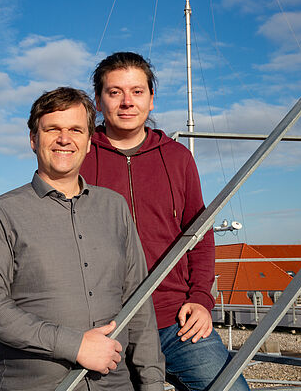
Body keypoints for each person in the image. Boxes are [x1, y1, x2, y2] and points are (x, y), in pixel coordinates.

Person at [0, 87, 165, 390]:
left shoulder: (115, 208)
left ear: (88, 142)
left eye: (76, 129)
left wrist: (152, 383)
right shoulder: (0, 213)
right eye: (52, 129)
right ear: (34, 140)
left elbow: (137, 303)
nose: (64, 138)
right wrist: (75, 345)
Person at [80, 52, 249, 391]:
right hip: (106, 325)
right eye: (114, 92)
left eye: (137, 91)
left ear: (152, 99)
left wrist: (201, 299)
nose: (127, 102)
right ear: (98, 101)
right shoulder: (80, 154)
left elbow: (199, 236)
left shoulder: (177, 157)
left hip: (175, 321)